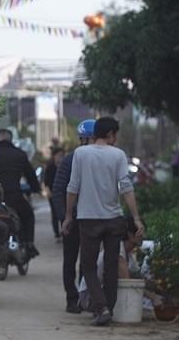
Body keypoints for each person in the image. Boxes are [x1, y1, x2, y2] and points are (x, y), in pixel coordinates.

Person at [62, 116, 144, 326]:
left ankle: (102, 308)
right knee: (111, 265)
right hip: (113, 220)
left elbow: (73, 187)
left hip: (88, 220)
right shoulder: (118, 155)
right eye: (115, 134)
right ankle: (108, 307)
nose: (116, 138)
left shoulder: (81, 153)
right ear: (110, 134)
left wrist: (68, 216)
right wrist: (135, 217)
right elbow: (126, 188)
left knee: (88, 267)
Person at [52, 119, 96, 314]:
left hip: (88, 218)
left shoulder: (94, 159)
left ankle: (80, 298)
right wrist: (64, 217)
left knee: (81, 261)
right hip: (79, 218)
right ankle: (74, 298)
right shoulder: (70, 160)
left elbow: (57, 191)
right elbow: (59, 190)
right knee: (78, 261)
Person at [0, 128, 41, 257]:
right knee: (28, 215)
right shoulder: (20, 154)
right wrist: (36, 188)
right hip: (14, 197)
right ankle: (29, 244)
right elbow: (31, 175)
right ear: (10, 139)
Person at [44, 147, 65, 240]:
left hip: (62, 193)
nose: (60, 157)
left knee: (62, 212)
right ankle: (57, 233)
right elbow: (46, 181)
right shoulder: (50, 167)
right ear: (54, 156)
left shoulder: (64, 166)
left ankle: (64, 230)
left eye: (62, 155)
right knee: (55, 213)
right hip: (53, 193)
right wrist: (48, 191)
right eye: (59, 155)